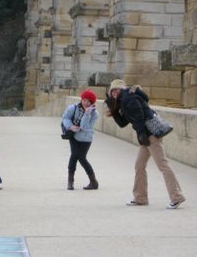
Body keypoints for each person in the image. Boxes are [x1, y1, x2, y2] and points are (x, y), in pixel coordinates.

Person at [105, 79, 185, 209]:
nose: (114, 93)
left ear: (121, 89)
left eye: (116, 90)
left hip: (150, 135)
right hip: (146, 136)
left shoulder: (128, 98)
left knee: (163, 165)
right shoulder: (124, 100)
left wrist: (142, 134)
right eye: (112, 91)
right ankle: (140, 197)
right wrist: (112, 109)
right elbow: (122, 123)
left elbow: (139, 116)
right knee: (139, 165)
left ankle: (177, 196)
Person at [62, 89, 99, 190]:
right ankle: (70, 182)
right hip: (74, 136)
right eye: (84, 100)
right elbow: (65, 118)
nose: (86, 103)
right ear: (81, 99)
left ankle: (93, 182)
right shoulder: (73, 108)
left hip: (86, 138)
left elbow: (85, 127)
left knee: (82, 158)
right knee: (74, 156)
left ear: (92, 103)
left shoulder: (95, 114)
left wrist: (87, 114)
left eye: (89, 101)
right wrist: (70, 126)